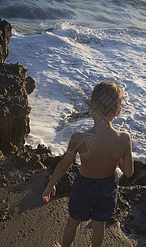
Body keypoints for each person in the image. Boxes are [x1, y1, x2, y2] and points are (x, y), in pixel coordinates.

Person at [42, 81, 134, 247]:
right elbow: (128, 172)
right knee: (99, 225)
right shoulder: (124, 139)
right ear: (118, 111)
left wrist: (51, 185)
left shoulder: (79, 138)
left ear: (91, 105)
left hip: (83, 186)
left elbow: (63, 167)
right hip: (107, 187)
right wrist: (117, 155)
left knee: (73, 222)